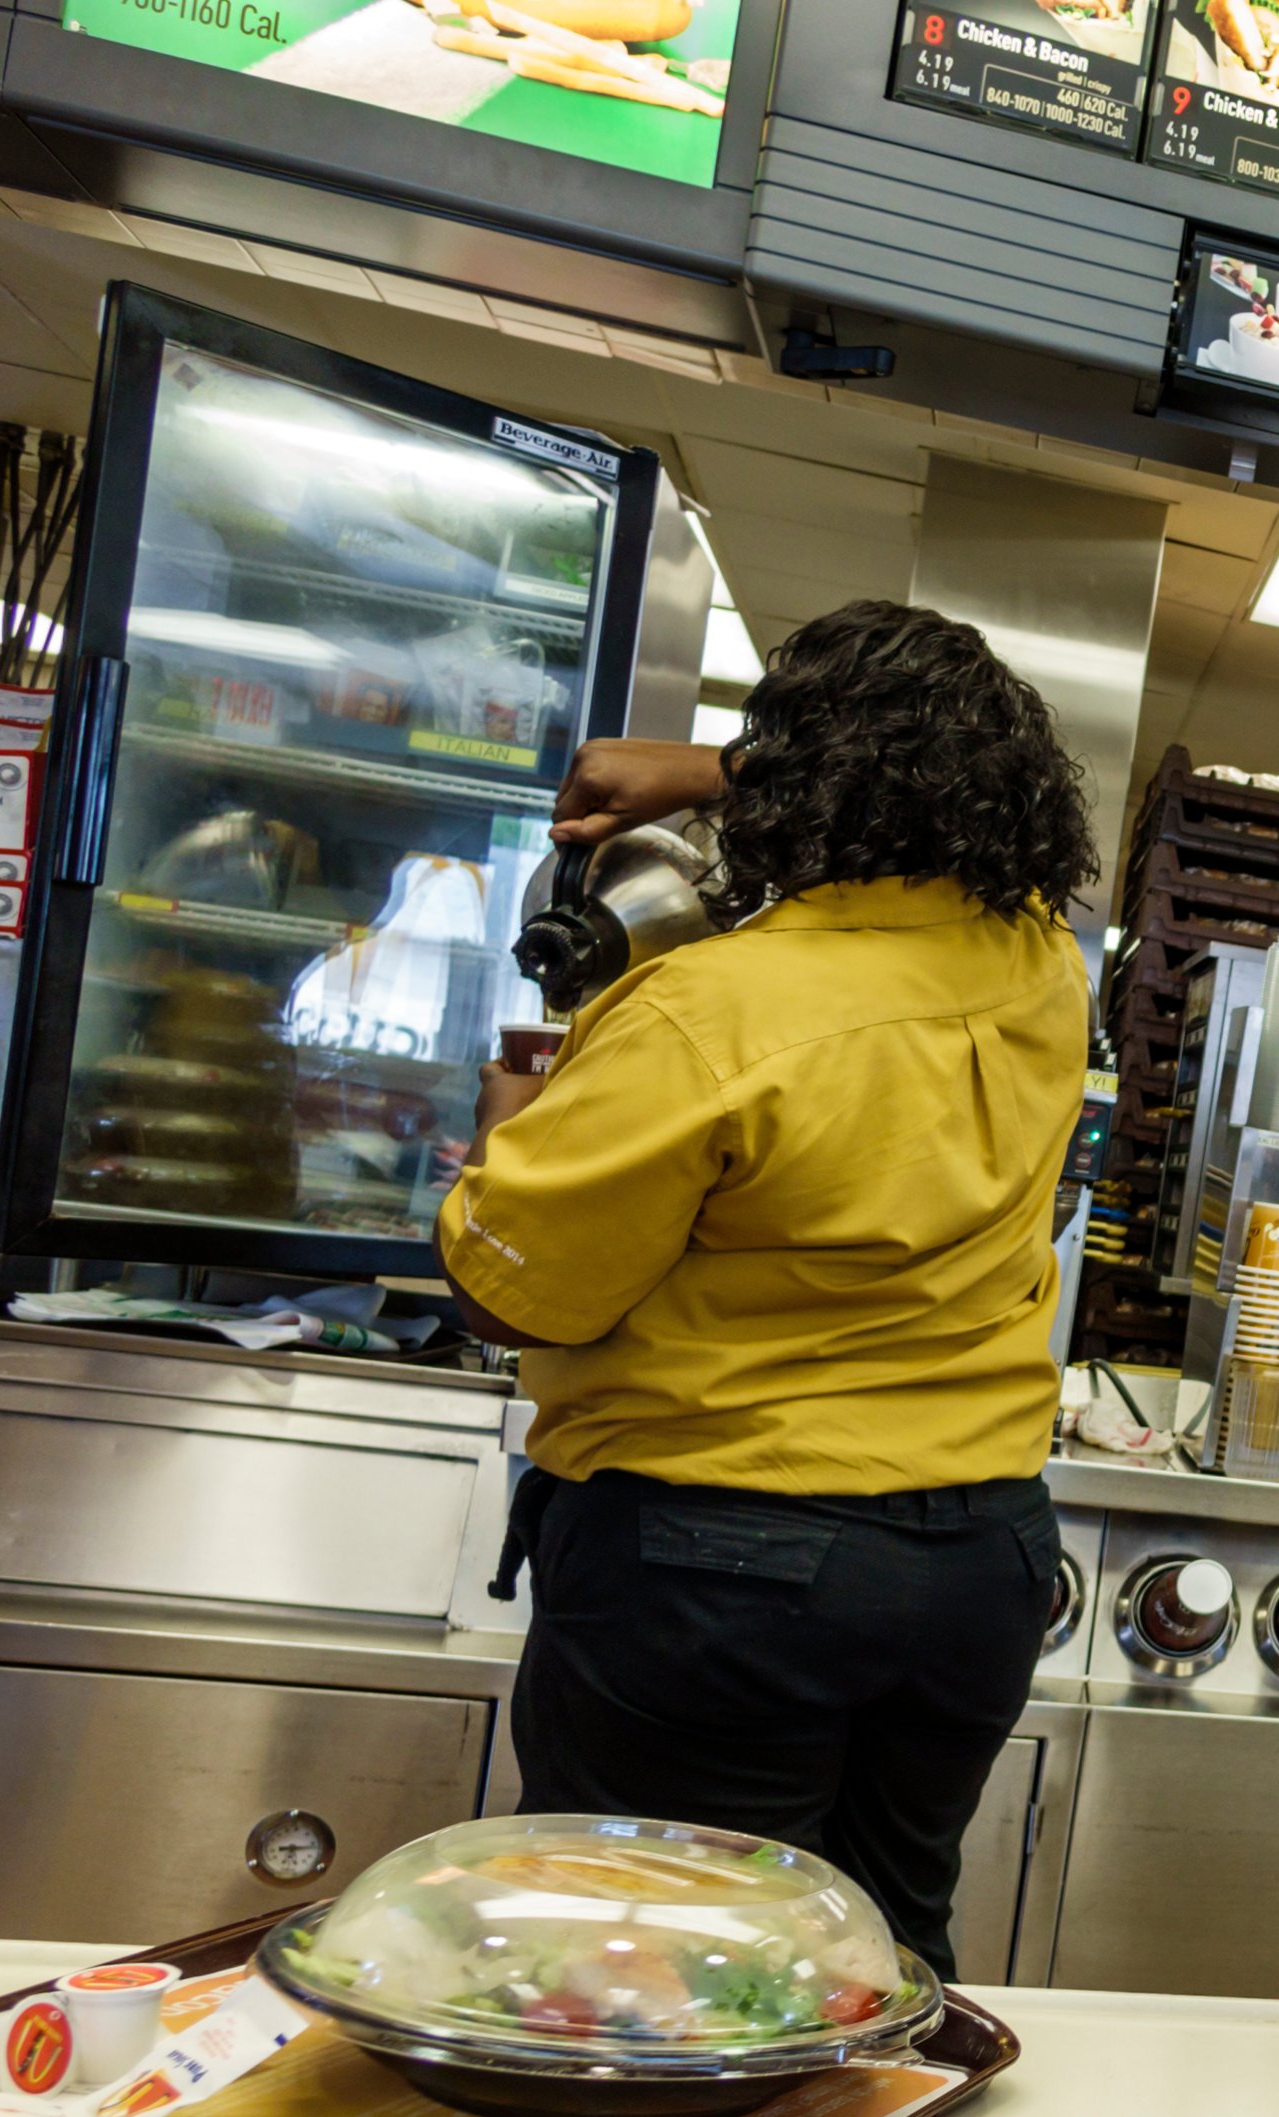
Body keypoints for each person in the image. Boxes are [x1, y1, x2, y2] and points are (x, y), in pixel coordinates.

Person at [437, 599, 1095, 1982]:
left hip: (717, 1571)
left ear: (792, 780)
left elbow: (520, 1297)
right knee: (877, 1969)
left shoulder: (708, 1012)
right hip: (980, 1567)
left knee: (652, 1972)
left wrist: (506, 1139)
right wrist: (701, 767)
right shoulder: (1041, 966)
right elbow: (917, 778)